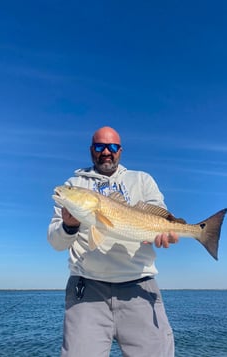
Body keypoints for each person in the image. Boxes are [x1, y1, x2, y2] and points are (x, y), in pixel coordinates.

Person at [47, 126, 179, 357]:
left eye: (112, 147)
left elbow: (162, 215)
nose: (106, 152)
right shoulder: (75, 183)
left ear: (120, 150)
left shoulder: (142, 179)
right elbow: (56, 243)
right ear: (91, 150)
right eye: (99, 147)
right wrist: (70, 226)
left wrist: (164, 232)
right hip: (86, 290)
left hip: (139, 284)